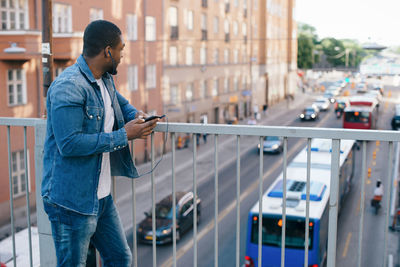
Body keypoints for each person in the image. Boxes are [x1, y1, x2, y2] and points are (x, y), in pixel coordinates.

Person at [41, 20, 158, 266]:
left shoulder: (104, 79)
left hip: (101, 197)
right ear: (108, 51)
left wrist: (139, 117)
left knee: (120, 258)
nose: (123, 54)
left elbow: (121, 106)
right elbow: (69, 144)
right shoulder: (69, 86)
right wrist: (124, 135)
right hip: (71, 202)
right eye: (120, 48)